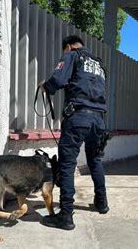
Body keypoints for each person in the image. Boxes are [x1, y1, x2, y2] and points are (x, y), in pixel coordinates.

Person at [40, 35, 109, 231]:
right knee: (95, 161)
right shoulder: (99, 64)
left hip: (78, 117)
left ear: (68, 46)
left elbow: (59, 79)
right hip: (99, 119)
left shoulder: (72, 55)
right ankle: (102, 203)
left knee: (67, 165)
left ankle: (65, 215)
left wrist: (46, 87)